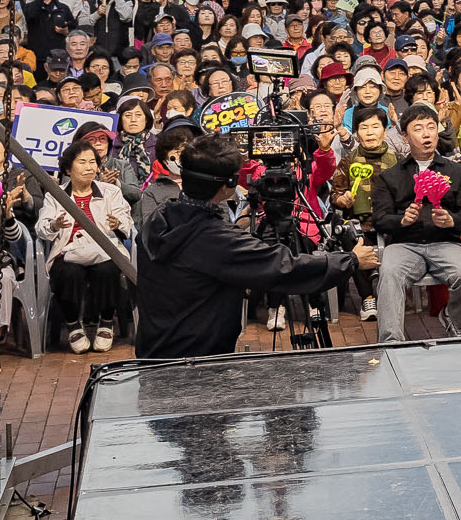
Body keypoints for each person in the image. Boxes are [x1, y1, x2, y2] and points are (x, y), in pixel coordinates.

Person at [138, 133, 378, 359]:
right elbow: (282, 267)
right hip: (197, 359)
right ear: (228, 185)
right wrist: (351, 260)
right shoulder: (215, 238)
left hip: (154, 348)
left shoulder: (160, 216)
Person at [370, 104, 461, 340]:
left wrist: (451, 220)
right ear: (404, 136)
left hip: (445, 242)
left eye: (431, 127)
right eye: (418, 128)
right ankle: (390, 343)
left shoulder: (456, 172)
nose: (426, 134)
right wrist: (402, 220)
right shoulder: (390, 176)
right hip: (404, 245)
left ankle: (452, 316)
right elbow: (380, 220)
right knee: (389, 274)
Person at [38, 136, 134, 352]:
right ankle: (73, 324)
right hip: (69, 251)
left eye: (92, 162)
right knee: (69, 273)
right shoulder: (57, 195)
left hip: (104, 250)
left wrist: (117, 223)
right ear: (69, 168)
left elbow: (127, 222)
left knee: (108, 270)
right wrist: (54, 225)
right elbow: (41, 228)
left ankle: (107, 322)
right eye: (82, 162)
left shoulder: (111, 192)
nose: (89, 167)